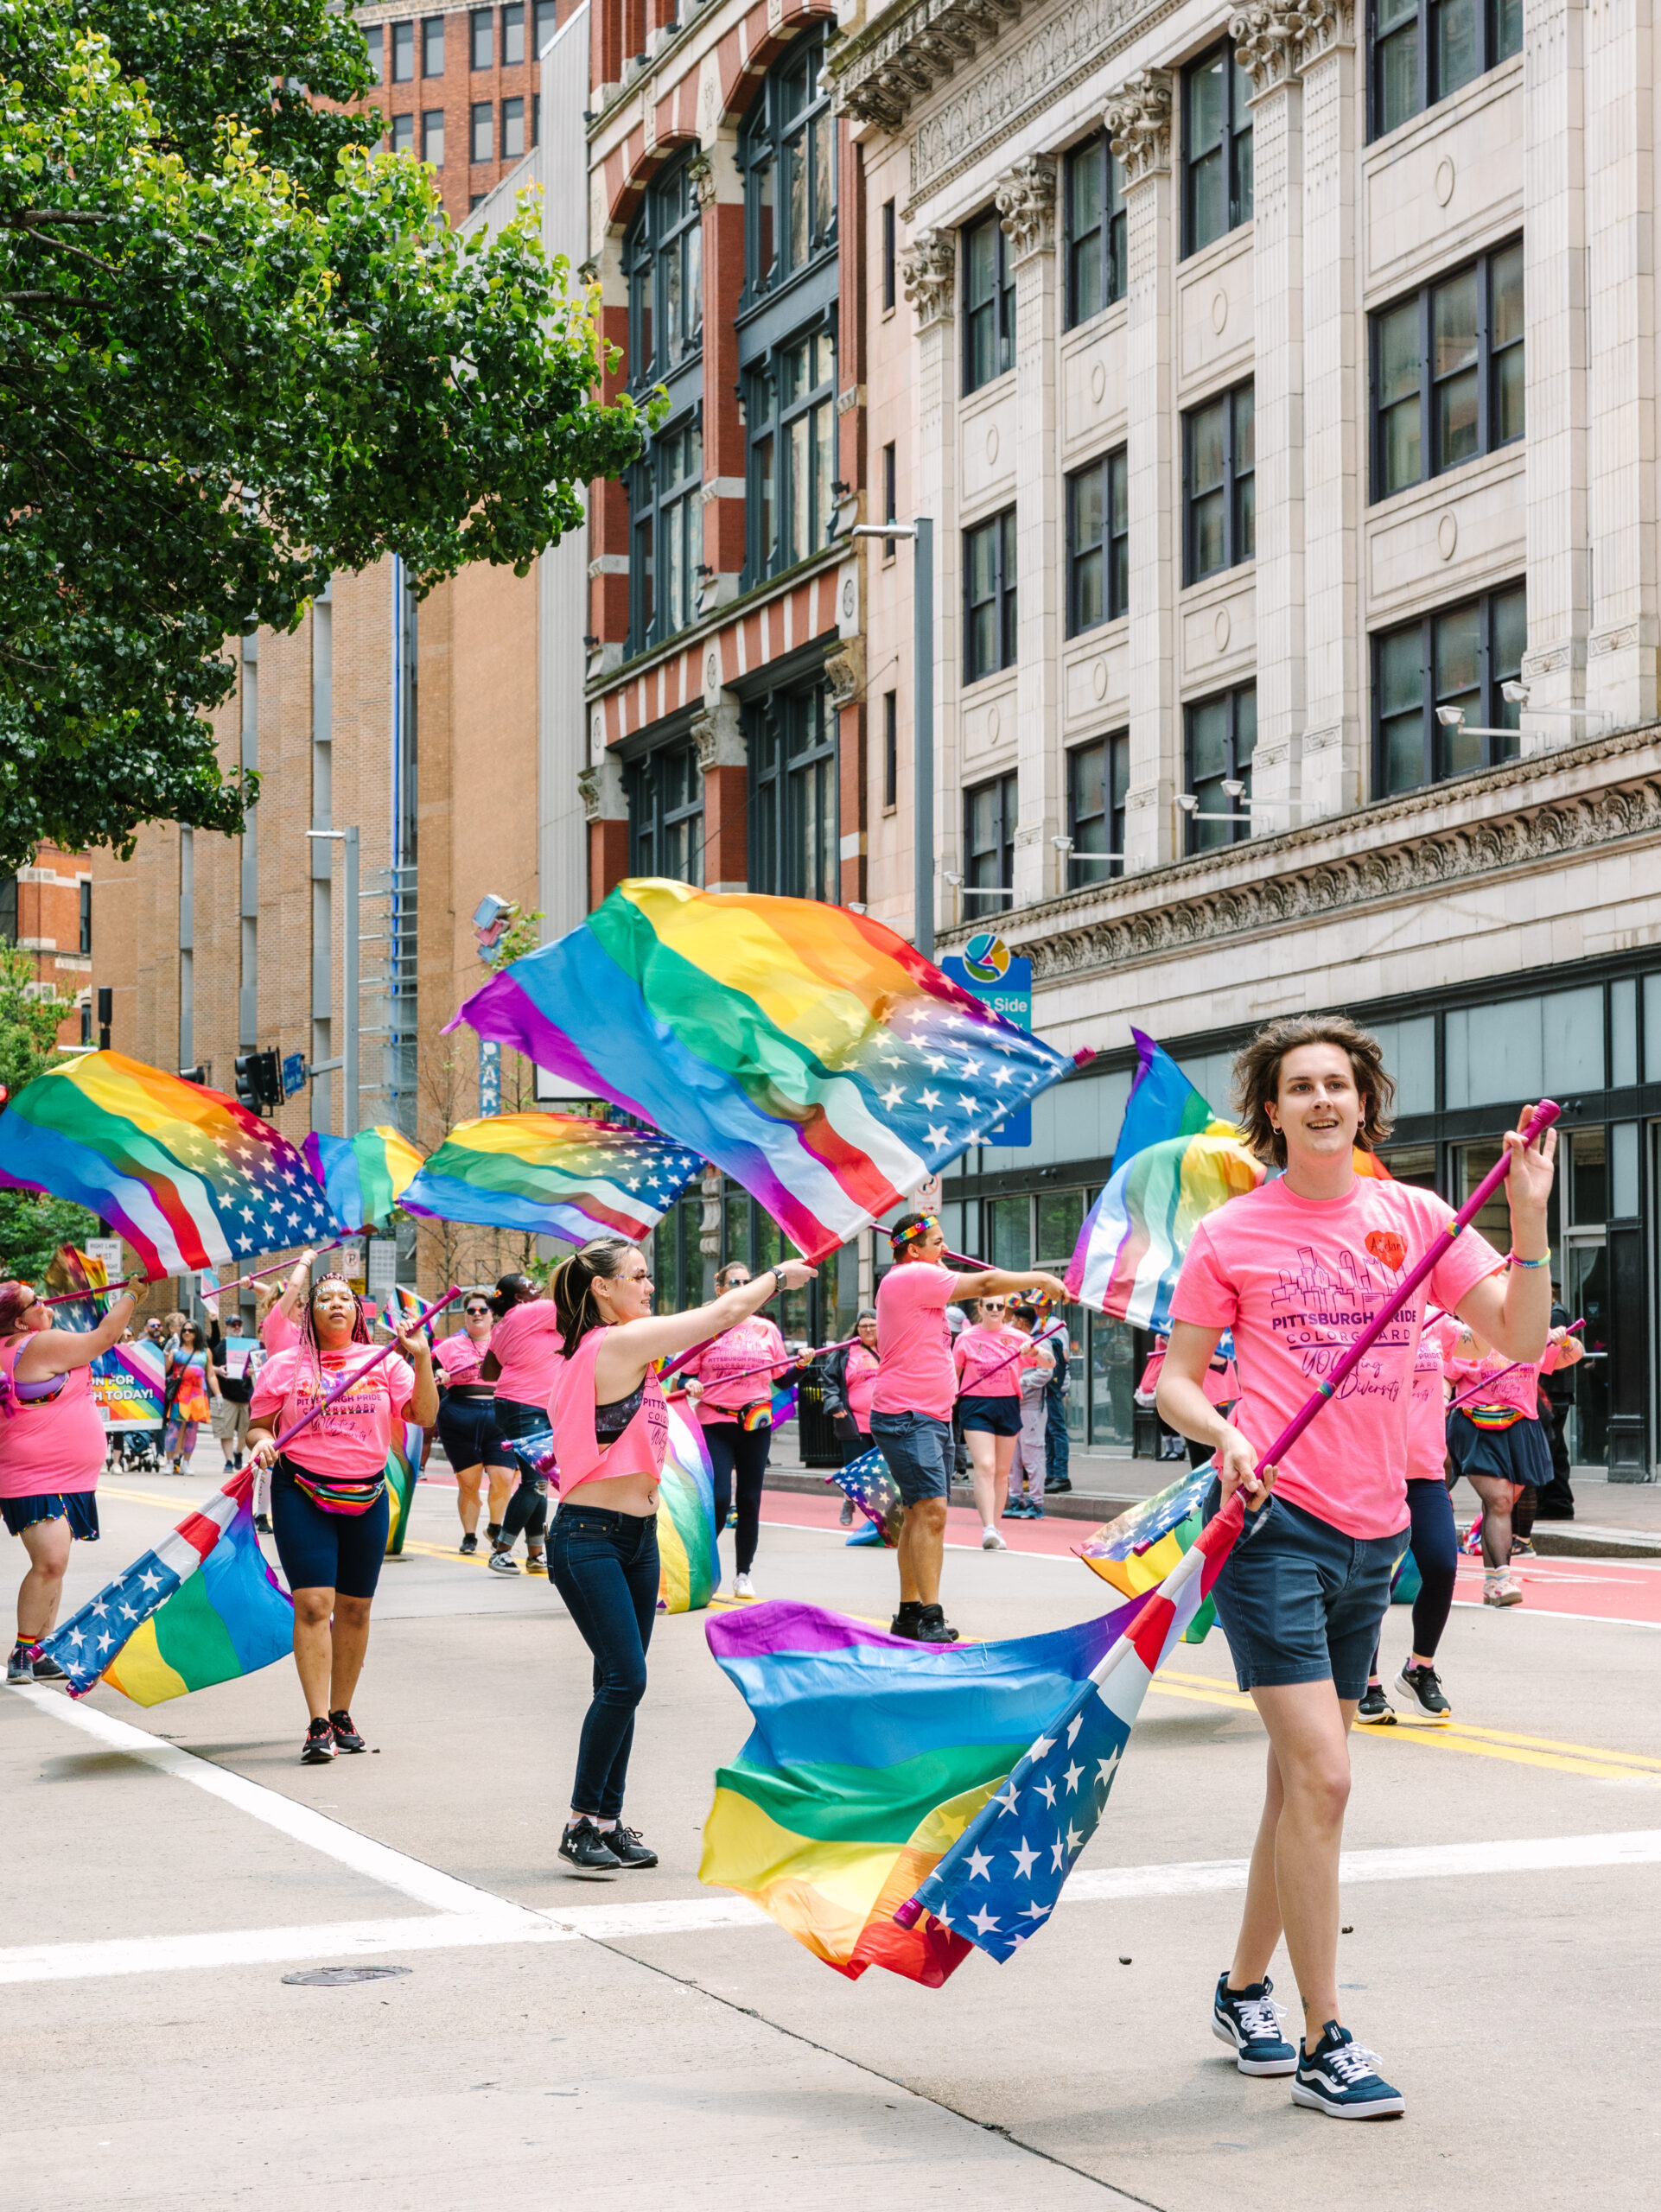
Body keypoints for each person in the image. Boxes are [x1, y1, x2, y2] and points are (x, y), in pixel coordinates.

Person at [1157, 1014, 1556, 2120]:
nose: (1322, 1099)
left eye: (1338, 1083)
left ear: (1363, 1103)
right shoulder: (1231, 1232)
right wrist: (1223, 1432)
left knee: (1296, 1783)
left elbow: (1518, 1338)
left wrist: (1526, 1216)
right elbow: (1176, 1381)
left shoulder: (1417, 1218)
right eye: (1300, 1086)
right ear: (1271, 1110)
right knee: (1326, 1778)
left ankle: (1241, 1989)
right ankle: (1324, 2035)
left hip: (1372, 1534)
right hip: (1273, 1529)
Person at [544, 1236, 817, 1877]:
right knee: (626, 1679)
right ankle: (580, 1823)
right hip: (588, 1538)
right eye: (638, 1276)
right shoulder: (612, 1344)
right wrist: (777, 1276)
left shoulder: (630, 1353)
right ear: (602, 1288)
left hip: (637, 1539)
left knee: (619, 1683)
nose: (649, 1286)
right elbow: (723, 1313)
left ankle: (606, 1822)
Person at [246, 1274, 437, 1763]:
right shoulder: (284, 1366)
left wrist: (420, 1357)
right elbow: (258, 1427)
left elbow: (422, 1414)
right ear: (309, 1314)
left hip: (367, 1493)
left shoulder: (385, 1361)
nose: (336, 1304)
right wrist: (262, 1443)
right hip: (300, 1490)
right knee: (313, 1605)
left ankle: (341, 1712)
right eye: (325, 1298)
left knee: (355, 1610)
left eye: (345, 1299)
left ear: (358, 1313)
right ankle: (317, 1723)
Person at [869, 1214, 1069, 1642]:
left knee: (919, 1513)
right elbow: (985, 1284)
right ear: (914, 1250)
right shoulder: (913, 1276)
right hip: (909, 1414)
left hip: (932, 1414)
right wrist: (1040, 1279)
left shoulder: (919, 1281)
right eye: (938, 1242)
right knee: (932, 1512)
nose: (945, 1249)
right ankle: (930, 1616)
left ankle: (909, 1614)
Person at [2, 1276, 138, 1682]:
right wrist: (133, 1295)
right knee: (51, 1561)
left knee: (55, 1564)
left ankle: (41, 1648)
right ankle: (23, 1652)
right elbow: (104, 1337)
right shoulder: (35, 1344)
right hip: (34, 1476)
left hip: (66, 1476)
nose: (45, 1302)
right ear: (20, 1322)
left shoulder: (23, 1344)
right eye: (35, 1302)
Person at [1356, 1311, 1462, 1726]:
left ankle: (1419, 1669)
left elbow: (1482, 1343)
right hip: (1370, 1471)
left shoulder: (1439, 1322)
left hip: (1425, 1474)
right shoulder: (1359, 1315)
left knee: (1442, 1565)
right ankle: (1365, 1683)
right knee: (1370, 1580)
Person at [1444, 1315, 1582, 1606]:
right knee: (1500, 1501)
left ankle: (1491, 1582)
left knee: (1500, 1506)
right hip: (1475, 1424)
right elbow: (1447, 1378)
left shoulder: (1532, 1332)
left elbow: (1574, 1354)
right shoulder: (1470, 1334)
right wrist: (1441, 1404)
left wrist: (1564, 1341)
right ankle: (1504, 1578)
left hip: (1521, 1425)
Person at [681, 1262, 796, 1599]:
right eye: (736, 1282)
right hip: (714, 1422)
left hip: (755, 1423)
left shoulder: (766, 1329)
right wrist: (691, 1384)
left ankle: (743, 1574)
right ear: (720, 1289)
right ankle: (700, 1565)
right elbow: (684, 1375)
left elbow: (782, 1380)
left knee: (749, 1500)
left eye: (748, 1282)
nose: (744, 1287)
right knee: (718, 1499)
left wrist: (802, 1365)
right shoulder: (705, 1326)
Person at [480, 1273, 561, 1575]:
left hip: (524, 1406)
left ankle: (535, 1554)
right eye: (530, 1285)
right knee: (535, 1482)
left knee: (537, 1482)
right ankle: (500, 1550)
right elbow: (577, 1305)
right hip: (526, 1408)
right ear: (518, 1297)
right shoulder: (530, 1311)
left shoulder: (504, 1325)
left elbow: (488, 1372)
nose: (537, 1287)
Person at [432, 1293, 516, 1555]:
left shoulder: (506, 1343)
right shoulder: (448, 1347)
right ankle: (469, 1535)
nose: (477, 1314)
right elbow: (429, 1374)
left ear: (493, 1316)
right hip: (459, 1416)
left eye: (482, 1310)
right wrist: (439, 1374)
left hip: (500, 1416)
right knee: (468, 1484)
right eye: (471, 1311)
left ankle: (495, 1527)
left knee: (504, 1478)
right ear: (465, 1316)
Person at [951, 1294, 1024, 1548]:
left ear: (1005, 1310)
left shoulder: (1017, 1337)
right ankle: (988, 1528)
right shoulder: (966, 1338)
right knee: (985, 1465)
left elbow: (1049, 1363)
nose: (995, 1309)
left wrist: (1036, 1350)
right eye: (990, 1305)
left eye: (999, 1306)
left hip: (1008, 1403)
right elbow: (954, 1373)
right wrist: (948, 1399)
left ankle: (995, 1527)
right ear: (980, 1309)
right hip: (976, 1403)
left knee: (1002, 1472)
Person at [823, 1308, 880, 1524]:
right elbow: (829, 1381)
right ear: (857, 1329)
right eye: (863, 1326)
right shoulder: (844, 1353)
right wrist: (834, 1405)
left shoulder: (889, 1350)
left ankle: (879, 1515)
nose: (868, 1330)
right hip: (854, 1422)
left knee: (881, 1470)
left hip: (885, 1421)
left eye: (873, 1325)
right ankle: (849, 1500)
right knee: (854, 1469)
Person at [1004, 1302, 1057, 1519]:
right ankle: (1015, 1499)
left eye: (1014, 1320)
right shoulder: (1014, 1341)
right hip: (1012, 1404)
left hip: (1031, 1406)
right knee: (1012, 1456)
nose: (1011, 1323)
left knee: (1032, 1454)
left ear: (1021, 1322)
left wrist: (1019, 1383)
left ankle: (1036, 1502)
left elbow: (1045, 1373)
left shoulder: (1040, 1343)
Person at [1535, 1286, 1577, 1519]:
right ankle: (1558, 1503)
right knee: (1556, 1449)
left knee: (1548, 1449)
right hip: (1556, 1392)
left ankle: (1550, 1502)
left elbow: (1551, 1353)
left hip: (1552, 1392)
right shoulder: (1555, 1312)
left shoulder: (1554, 1314)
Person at [163, 1319, 217, 1476]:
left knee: (192, 1431)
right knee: (173, 1429)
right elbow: (165, 1369)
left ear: (197, 1333)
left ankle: (186, 1462)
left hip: (197, 1396)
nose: (187, 1333)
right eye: (184, 1330)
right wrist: (167, 1352)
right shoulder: (176, 1351)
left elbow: (211, 1375)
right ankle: (169, 1462)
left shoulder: (205, 1352)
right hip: (180, 1395)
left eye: (191, 1330)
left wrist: (218, 1395)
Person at [206, 1306, 255, 1475]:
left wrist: (252, 1371)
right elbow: (207, 1365)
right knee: (225, 1431)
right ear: (226, 1326)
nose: (236, 1327)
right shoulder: (220, 1345)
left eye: (239, 1324)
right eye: (233, 1324)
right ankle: (228, 1460)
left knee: (245, 1432)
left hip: (246, 1395)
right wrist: (218, 1370)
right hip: (226, 1395)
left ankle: (238, 1453)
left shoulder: (250, 1345)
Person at [260, 1249, 320, 1355]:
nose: (303, 1310)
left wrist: (251, 1285)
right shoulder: (276, 1321)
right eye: (299, 1305)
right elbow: (294, 1286)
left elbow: (269, 1292)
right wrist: (305, 1260)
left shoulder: (296, 1327)